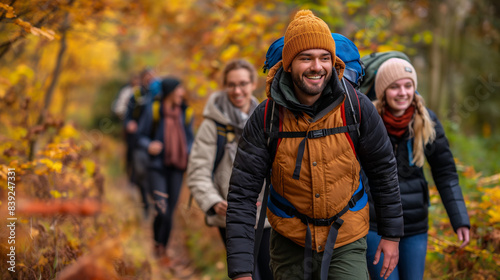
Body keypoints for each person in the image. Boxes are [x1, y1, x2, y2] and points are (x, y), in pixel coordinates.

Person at [225, 10, 404, 280]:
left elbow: (384, 171)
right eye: (305, 58)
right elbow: (243, 194)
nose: (316, 67)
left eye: (324, 58)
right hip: (290, 242)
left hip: (347, 239)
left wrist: (392, 235)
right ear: (288, 64)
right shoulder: (266, 117)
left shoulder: (356, 107)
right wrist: (240, 270)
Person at [366, 58, 471, 280]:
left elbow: (446, 174)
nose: (402, 92)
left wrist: (459, 219)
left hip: (414, 225)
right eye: (394, 86)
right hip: (376, 224)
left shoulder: (426, 121)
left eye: (408, 85)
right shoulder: (369, 121)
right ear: (383, 91)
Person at [187, 59, 273, 280]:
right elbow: (198, 172)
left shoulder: (268, 119)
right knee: (247, 275)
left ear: (253, 84)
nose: (237, 91)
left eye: (243, 84)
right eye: (232, 85)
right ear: (225, 86)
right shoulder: (212, 126)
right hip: (231, 217)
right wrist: (214, 202)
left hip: (267, 217)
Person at [135, 77, 194, 261]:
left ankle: (162, 249)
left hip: (177, 168)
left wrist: (187, 151)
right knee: (162, 210)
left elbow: (191, 139)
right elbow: (140, 136)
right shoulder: (153, 110)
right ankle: (156, 243)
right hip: (157, 167)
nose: (181, 94)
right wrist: (149, 145)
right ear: (169, 92)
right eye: (179, 90)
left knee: (170, 213)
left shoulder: (186, 112)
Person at [124, 68, 158, 217]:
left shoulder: (159, 95)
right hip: (138, 141)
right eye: (147, 77)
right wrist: (129, 123)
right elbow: (127, 115)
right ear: (143, 78)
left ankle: (155, 203)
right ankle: (145, 205)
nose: (150, 79)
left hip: (156, 142)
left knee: (153, 174)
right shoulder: (137, 95)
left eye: (152, 76)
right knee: (140, 172)